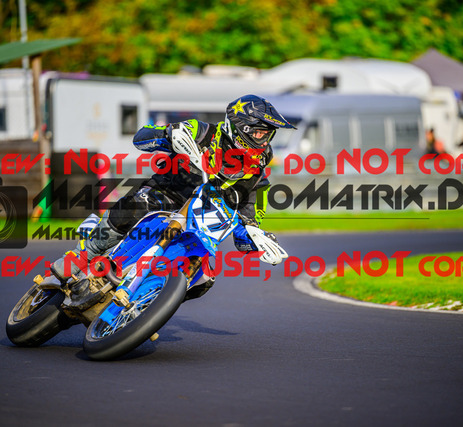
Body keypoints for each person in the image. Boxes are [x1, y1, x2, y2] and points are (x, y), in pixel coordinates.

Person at [51, 94, 296, 298]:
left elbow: (249, 217)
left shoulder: (259, 173)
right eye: (260, 133)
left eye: (268, 134)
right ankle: (83, 254)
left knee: (204, 279)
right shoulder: (203, 132)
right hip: (164, 194)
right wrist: (168, 135)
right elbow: (141, 138)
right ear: (240, 127)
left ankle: (144, 307)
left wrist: (254, 238)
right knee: (135, 207)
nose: (264, 140)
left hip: (200, 222)